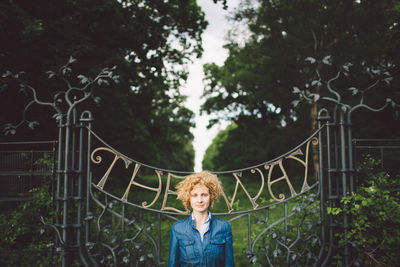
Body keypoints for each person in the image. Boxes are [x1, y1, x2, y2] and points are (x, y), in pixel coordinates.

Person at [168, 171, 234, 267]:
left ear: (211, 196)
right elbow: (173, 264)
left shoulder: (224, 227)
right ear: (188, 198)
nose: (200, 200)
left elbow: (229, 264)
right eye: (194, 195)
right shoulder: (178, 228)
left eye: (204, 195)